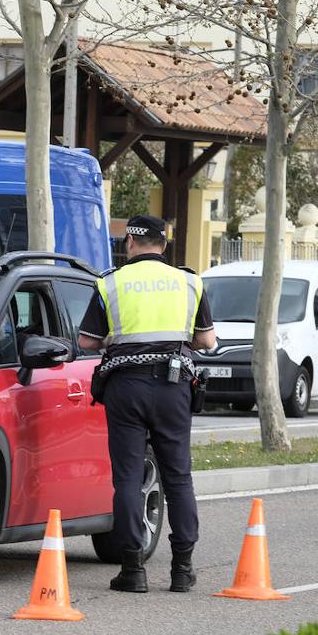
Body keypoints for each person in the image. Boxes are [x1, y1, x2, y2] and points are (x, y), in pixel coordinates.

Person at [77, 215, 216, 594]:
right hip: (173, 387)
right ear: (164, 245)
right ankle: (182, 569)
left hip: (126, 388)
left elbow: (88, 341)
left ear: (130, 244)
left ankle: (132, 569)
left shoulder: (110, 283)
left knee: (127, 476)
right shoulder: (189, 282)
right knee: (178, 476)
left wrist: (119, 344)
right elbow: (206, 340)